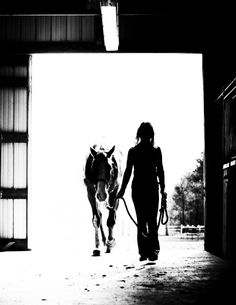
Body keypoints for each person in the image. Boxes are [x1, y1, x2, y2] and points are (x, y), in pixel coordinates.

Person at [117, 122, 166, 261]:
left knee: (142, 221)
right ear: (151, 135)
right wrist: (163, 188)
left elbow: (128, 172)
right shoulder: (156, 150)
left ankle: (143, 252)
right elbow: (160, 171)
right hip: (151, 189)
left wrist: (122, 190)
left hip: (138, 189)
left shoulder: (134, 151)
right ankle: (153, 251)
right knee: (151, 220)